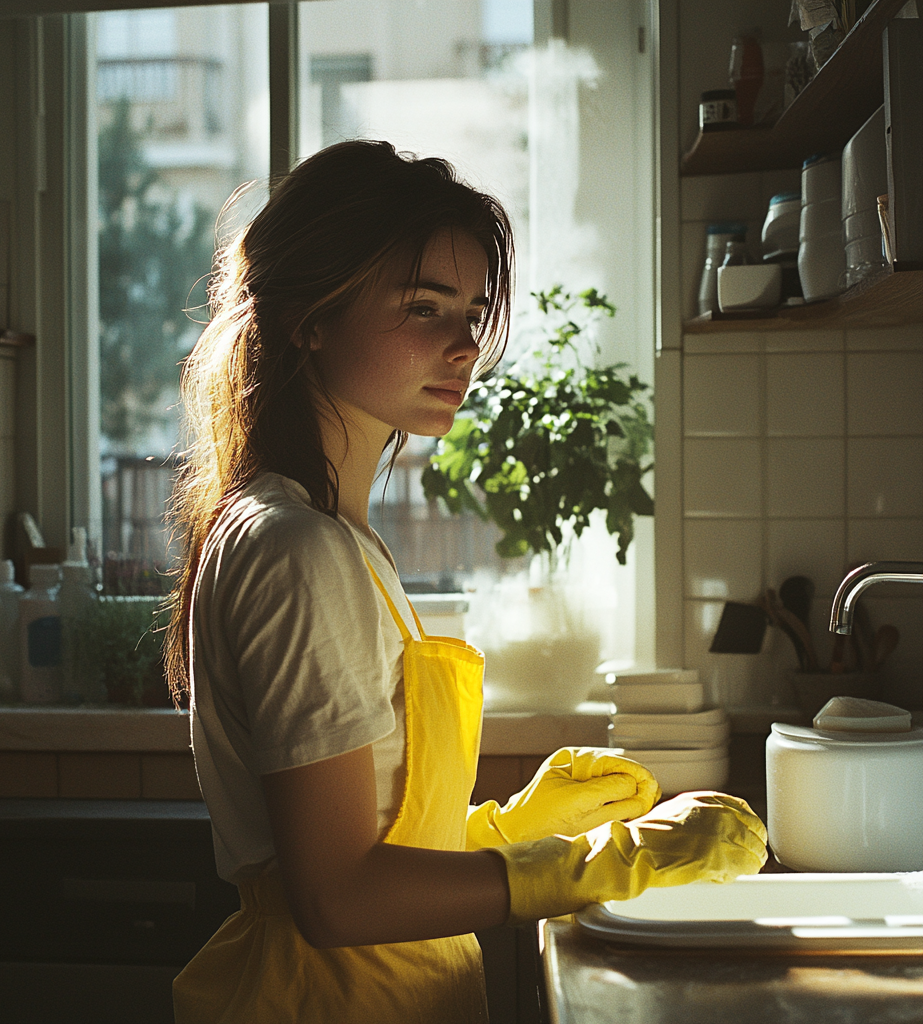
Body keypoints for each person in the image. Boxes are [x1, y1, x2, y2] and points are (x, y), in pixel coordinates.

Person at [166, 140, 767, 1024]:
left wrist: (513, 824)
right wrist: (596, 862)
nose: (464, 345)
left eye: (474, 311)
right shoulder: (299, 549)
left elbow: (374, 841)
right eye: (423, 307)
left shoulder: (334, 536)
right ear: (309, 318)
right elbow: (337, 897)